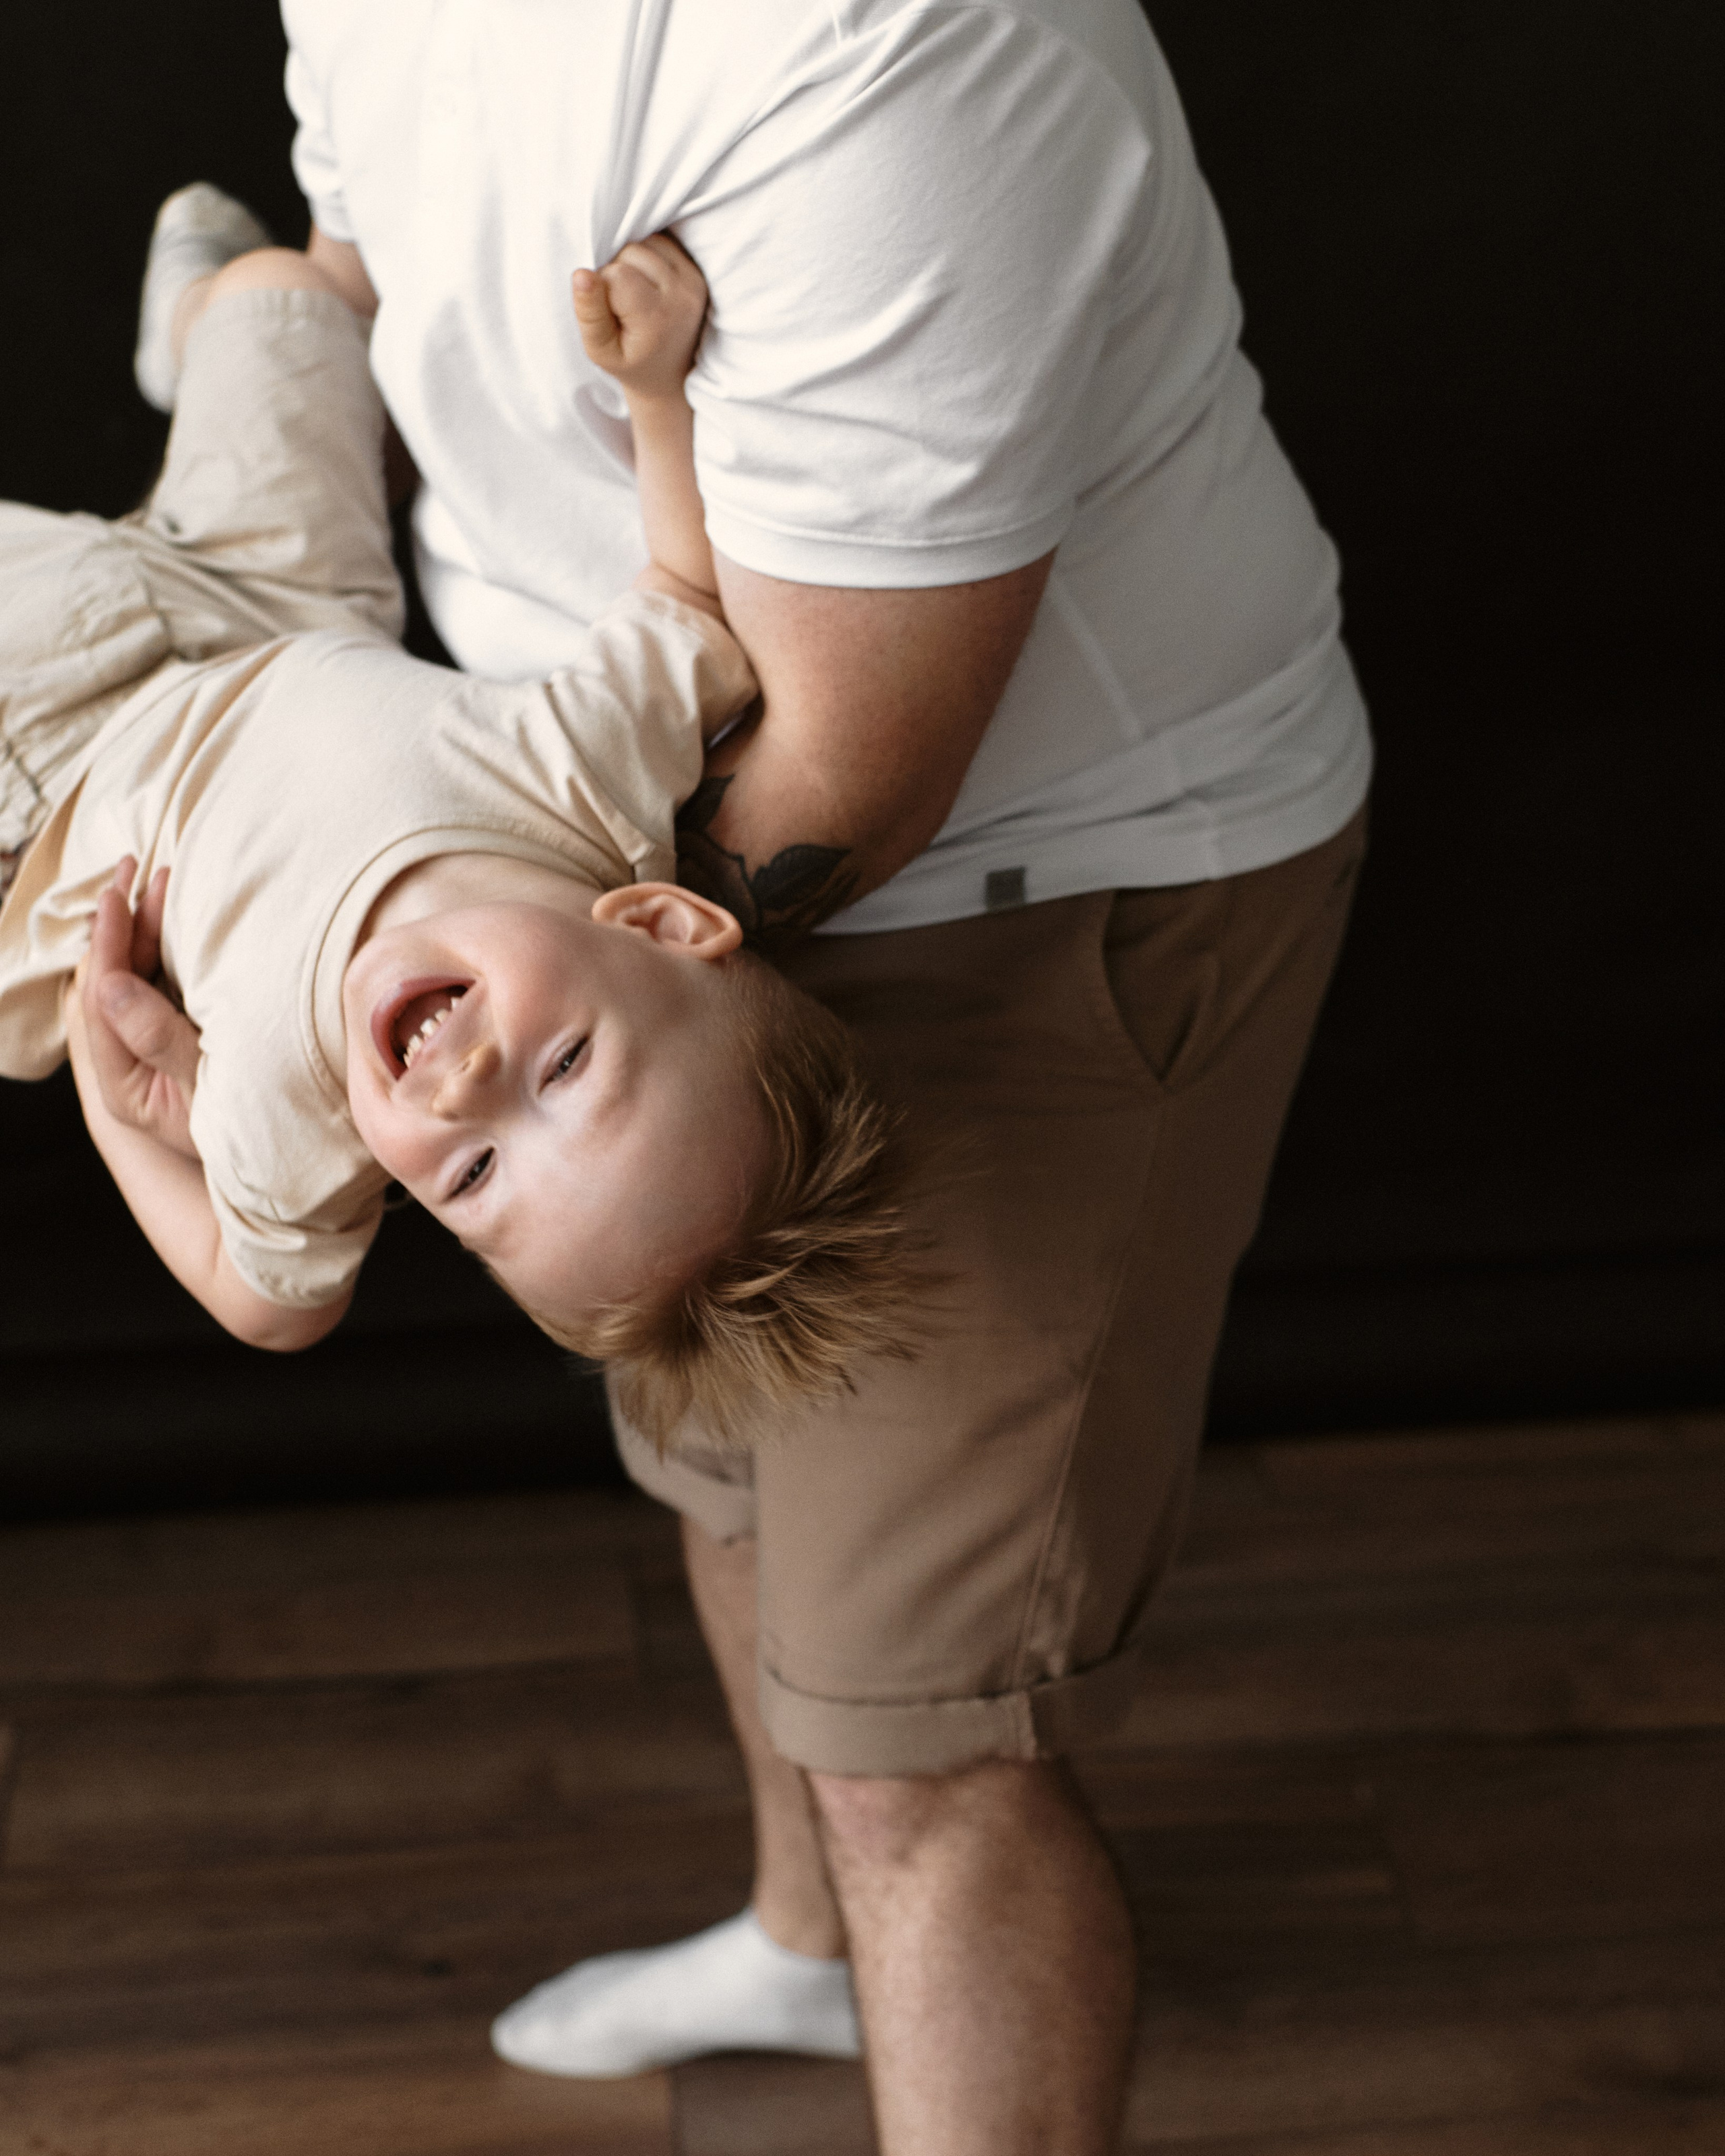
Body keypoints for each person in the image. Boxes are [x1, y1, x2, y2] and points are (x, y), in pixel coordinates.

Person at [283, 1, 1374, 2147]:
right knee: (732, 1485)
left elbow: (832, 794)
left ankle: (876, 1901)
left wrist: (353, 905)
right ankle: (808, 1952)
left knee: (916, 1748)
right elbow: (366, 254)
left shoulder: (887, 46)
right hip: (594, 897)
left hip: (1020, 882)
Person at [0, 191, 920, 1438]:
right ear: (656, 919)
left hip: (45, 794)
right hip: (267, 598)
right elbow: (688, 591)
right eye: (566, 1065)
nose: (465, 1093)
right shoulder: (581, 781)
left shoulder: (294, 1110)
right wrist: (656, 394)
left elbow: (272, 1307)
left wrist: (121, 1113)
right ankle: (196, 325)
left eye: (476, 1177)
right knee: (289, 300)